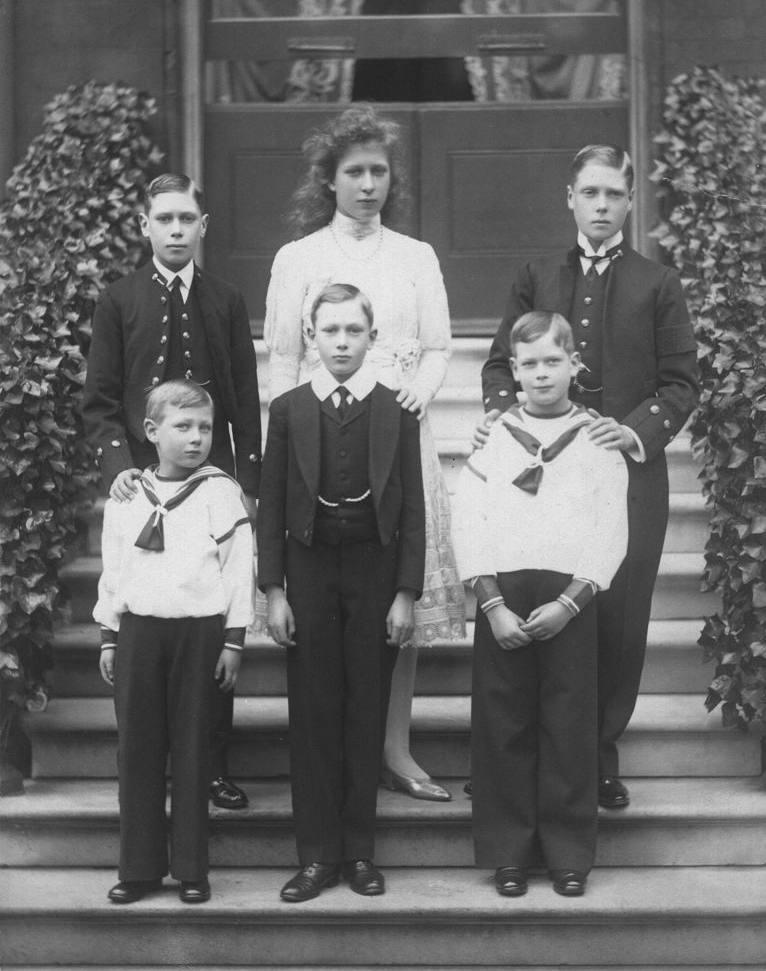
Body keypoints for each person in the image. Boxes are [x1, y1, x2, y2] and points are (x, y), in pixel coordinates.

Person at [478, 145, 699, 809]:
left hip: (628, 475)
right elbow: (497, 366)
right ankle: (534, 757)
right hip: (543, 481)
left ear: (630, 203)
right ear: (568, 197)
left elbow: (681, 384)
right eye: (590, 193)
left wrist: (633, 430)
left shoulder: (659, 284)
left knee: (620, 617)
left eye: (614, 195)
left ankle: (598, 754)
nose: (601, 206)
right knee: (544, 605)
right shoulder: (536, 274)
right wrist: (501, 420)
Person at [262, 104, 464, 802]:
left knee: (395, 605)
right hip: (320, 450)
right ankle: (334, 757)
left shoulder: (416, 257)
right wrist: (282, 461)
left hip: (399, 444)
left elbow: (439, 345)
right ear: (329, 180)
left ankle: (394, 746)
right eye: (354, 172)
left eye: (379, 171)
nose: (369, 184)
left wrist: (419, 394)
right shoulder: (299, 259)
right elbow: (283, 362)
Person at [82, 173, 261, 811]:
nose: (177, 230)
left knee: (207, 627)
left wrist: (249, 479)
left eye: (187, 219)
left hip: (209, 490)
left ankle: (210, 766)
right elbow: (99, 400)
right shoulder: (119, 299)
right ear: (145, 226)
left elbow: (242, 396)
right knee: (152, 626)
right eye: (165, 220)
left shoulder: (226, 299)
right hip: (143, 488)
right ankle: (147, 767)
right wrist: (117, 470)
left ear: (204, 226)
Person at [256, 284, 425, 902]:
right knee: (314, 711)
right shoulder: (290, 408)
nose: (343, 342)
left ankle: (360, 853)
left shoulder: (396, 411)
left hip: (375, 575)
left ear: (372, 337)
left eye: (354, 331)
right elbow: (271, 501)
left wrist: (406, 592)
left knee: (364, 711)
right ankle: (317, 856)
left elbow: (413, 508)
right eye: (331, 332)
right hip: (308, 572)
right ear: (312, 338)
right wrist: (273, 590)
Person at [453, 311, 628, 897]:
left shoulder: (598, 441)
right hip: (504, 597)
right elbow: (468, 523)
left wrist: (572, 603)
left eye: (554, 360)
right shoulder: (494, 440)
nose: (542, 373)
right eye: (529, 364)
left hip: (569, 599)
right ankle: (509, 850)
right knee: (504, 724)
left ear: (575, 366)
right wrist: (492, 604)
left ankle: (568, 852)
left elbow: (611, 531)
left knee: (569, 726)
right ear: (513, 372)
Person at [96, 380, 255, 904]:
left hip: (199, 635)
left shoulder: (219, 491)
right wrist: (108, 636)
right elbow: (114, 568)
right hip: (140, 632)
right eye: (182, 427)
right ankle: (138, 867)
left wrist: (233, 640)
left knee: (192, 750)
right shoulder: (126, 494)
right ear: (151, 431)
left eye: (205, 428)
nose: (195, 439)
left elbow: (237, 570)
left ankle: (191, 867)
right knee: (137, 750)